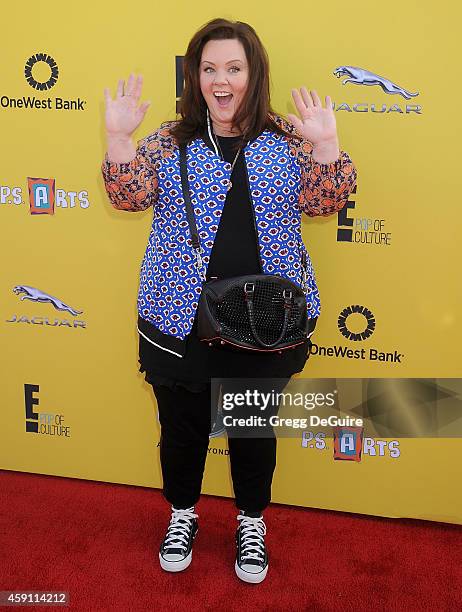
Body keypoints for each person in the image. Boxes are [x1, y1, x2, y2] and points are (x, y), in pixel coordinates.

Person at [101, 18, 357, 584]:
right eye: (210, 68)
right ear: (195, 76)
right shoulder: (171, 140)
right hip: (178, 317)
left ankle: (250, 521)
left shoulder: (286, 139)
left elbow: (325, 201)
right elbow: (127, 192)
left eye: (233, 68)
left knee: (252, 429)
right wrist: (119, 139)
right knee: (183, 427)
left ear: (253, 74)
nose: (221, 80)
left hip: (265, 321)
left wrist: (327, 144)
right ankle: (183, 512)